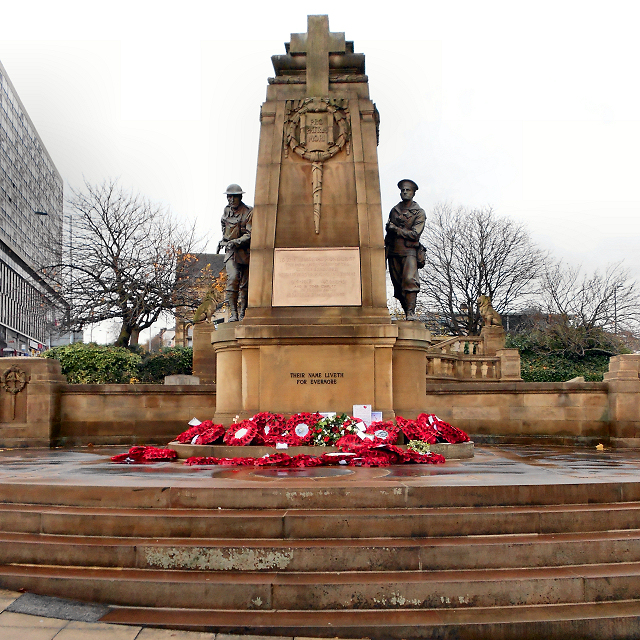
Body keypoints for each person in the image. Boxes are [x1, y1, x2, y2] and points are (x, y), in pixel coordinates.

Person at [385, 179, 425, 321]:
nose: (405, 192)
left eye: (408, 190)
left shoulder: (419, 212)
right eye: (403, 190)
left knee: (409, 280)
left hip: (409, 251)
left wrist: (396, 229)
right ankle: (406, 310)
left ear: (413, 193)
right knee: (398, 284)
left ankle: (410, 311)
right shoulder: (394, 210)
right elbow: (388, 232)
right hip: (394, 251)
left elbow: (415, 234)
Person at [217, 184, 252, 321]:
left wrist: (236, 241)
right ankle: (233, 313)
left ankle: (244, 312)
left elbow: (250, 234)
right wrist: (224, 240)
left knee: (245, 284)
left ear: (240, 197)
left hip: (245, 252)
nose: (230, 200)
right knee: (232, 279)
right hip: (231, 251)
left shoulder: (249, 212)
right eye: (228, 197)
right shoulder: (226, 211)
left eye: (233, 197)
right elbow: (224, 227)